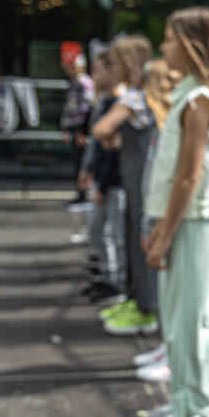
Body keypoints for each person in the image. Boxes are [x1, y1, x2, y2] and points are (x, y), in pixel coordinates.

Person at [142, 6, 209, 417]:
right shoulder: (192, 95)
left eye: (169, 38)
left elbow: (188, 176)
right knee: (182, 313)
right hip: (189, 219)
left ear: (191, 45)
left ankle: (197, 408)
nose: (163, 47)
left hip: (194, 220)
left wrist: (163, 234)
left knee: (190, 315)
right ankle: (188, 400)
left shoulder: (199, 101)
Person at [90, 35, 162, 337]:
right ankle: (138, 301)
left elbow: (101, 129)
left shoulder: (133, 98)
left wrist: (110, 138)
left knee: (138, 242)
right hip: (139, 179)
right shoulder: (148, 96)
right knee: (134, 240)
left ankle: (145, 307)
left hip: (139, 183)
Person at [83, 46, 126, 302]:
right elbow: (100, 143)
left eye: (97, 70)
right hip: (105, 179)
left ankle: (117, 281)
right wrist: (89, 170)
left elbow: (110, 146)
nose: (93, 75)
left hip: (114, 181)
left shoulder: (119, 102)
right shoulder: (105, 101)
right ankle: (111, 275)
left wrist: (101, 181)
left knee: (115, 235)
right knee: (98, 231)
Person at [59, 41, 95, 207]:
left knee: (84, 163)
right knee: (78, 162)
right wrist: (67, 128)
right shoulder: (75, 83)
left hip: (83, 131)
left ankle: (85, 195)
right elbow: (71, 108)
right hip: (76, 130)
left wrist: (82, 130)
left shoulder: (84, 83)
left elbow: (87, 108)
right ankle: (81, 194)